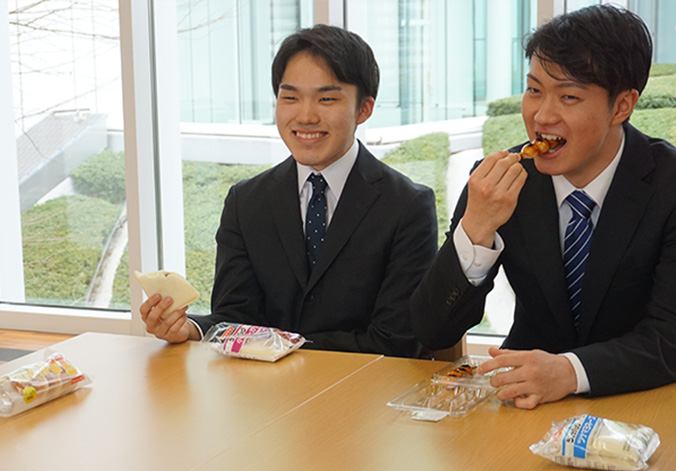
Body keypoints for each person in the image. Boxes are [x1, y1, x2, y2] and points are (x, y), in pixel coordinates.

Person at [411, 5, 676, 406]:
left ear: (622, 106)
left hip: (642, 401)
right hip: (521, 405)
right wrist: (475, 229)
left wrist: (569, 372)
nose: (541, 115)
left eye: (568, 96)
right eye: (534, 90)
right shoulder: (499, 182)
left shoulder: (668, 185)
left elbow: (668, 337)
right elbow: (432, 331)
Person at [141, 24, 438, 358]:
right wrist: (189, 329)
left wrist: (280, 346)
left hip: (363, 385)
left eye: (326, 99)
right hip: (263, 387)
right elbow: (236, 317)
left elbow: (394, 341)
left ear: (364, 109)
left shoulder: (407, 206)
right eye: (290, 98)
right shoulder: (245, 202)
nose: (306, 116)